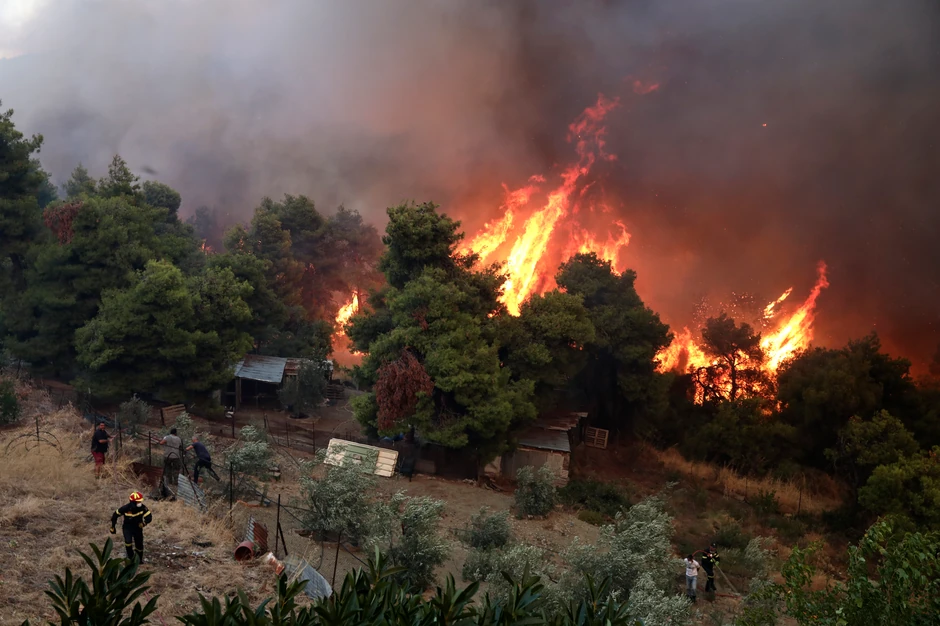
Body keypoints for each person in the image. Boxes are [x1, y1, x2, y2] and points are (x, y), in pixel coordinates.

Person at [110, 491, 153, 561]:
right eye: (138, 502)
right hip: (127, 528)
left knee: (139, 544)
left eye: (140, 501)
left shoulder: (143, 508)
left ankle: (139, 560)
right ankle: (130, 558)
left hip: (138, 528)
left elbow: (149, 517)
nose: (140, 503)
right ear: (133, 502)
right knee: (128, 541)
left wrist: (144, 523)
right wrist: (113, 527)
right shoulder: (125, 508)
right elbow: (115, 515)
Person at [159, 428, 182, 499]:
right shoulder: (179, 439)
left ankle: (169, 482)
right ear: (175, 433)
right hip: (176, 456)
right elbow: (180, 446)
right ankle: (175, 482)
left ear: (170, 432)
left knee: (167, 468)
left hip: (167, 456)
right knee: (176, 470)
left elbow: (161, 443)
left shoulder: (167, 437)